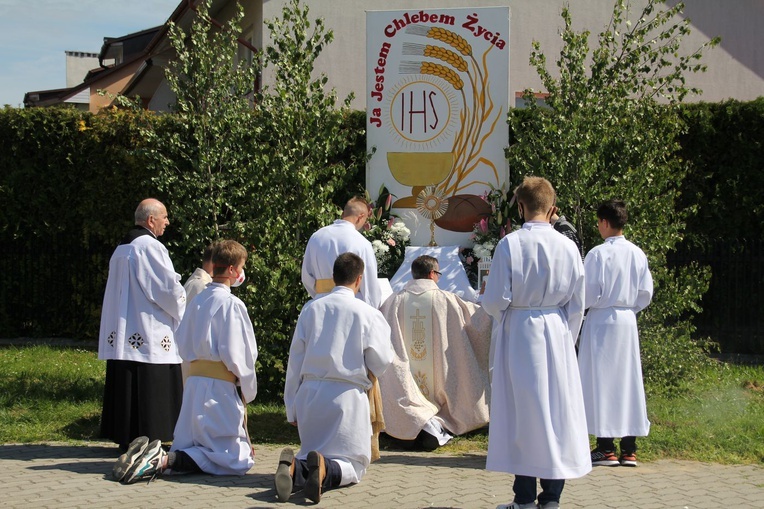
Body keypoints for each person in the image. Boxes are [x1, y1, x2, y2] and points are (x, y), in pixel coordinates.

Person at [482, 177, 590, 509]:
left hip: (520, 332)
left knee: (523, 414)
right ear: (551, 207)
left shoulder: (510, 244)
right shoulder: (568, 246)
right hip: (556, 331)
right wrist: (565, 340)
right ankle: (552, 499)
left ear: (520, 207)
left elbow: (495, 299)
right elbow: (577, 302)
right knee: (556, 412)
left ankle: (524, 499)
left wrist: (506, 318)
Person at [114, 240, 258, 484]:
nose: (243, 272)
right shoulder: (232, 305)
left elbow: (180, 338)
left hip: (194, 387)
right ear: (233, 270)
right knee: (236, 460)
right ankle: (161, 460)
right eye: (242, 266)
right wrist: (247, 385)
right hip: (219, 390)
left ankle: (165, 459)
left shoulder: (198, 300)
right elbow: (240, 353)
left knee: (202, 443)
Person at [277, 252, 394, 503]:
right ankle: (325, 469)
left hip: (309, 395)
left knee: (310, 450)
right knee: (354, 464)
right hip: (346, 399)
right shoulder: (368, 313)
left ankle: (294, 467)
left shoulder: (311, 309)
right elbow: (381, 361)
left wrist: (292, 405)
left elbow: (295, 358)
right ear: (359, 279)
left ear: (333, 277)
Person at [98, 198, 186, 462]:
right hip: (148, 328)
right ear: (151, 220)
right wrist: (184, 303)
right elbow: (166, 289)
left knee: (128, 382)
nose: (167, 222)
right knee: (150, 380)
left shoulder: (122, 247)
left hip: (126, 326)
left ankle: (126, 435)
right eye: (165, 217)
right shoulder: (149, 247)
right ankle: (151, 435)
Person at [377, 255, 491, 450]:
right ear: (431, 274)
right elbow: (478, 322)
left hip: (406, 383)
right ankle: (436, 424)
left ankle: (415, 423)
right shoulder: (447, 300)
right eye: (438, 274)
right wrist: (484, 298)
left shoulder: (393, 302)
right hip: (442, 381)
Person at [578, 199, 653, 468]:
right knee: (628, 380)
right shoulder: (638, 253)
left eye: (598, 222)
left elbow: (587, 293)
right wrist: (629, 307)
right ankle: (629, 448)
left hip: (602, 320)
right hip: (627, 320)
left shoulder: (598, 254)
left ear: (605, 222)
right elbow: (645, 293)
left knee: (601, 382)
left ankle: (605, 447)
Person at [302, 196, 382, 308]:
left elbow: (306, 276)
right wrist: (371, 309)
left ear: (343, 214)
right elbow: (369, 285)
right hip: (352, 306)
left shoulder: (316, 237)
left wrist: (319, 295)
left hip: (320, 305)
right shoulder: (361, 243)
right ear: (361, 217)